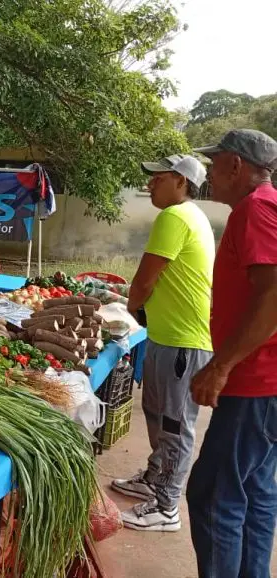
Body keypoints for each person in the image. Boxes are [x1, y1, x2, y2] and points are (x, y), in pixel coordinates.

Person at [184, 129, 277, 578]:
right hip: (265, 384)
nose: (209, 175)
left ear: (236, 166)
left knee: (213, 496)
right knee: (255, 492)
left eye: (214, 164)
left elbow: (273, 295)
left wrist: (220, 367)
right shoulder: (264, 206)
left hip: (256, 382)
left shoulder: (256, 208)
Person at [110, 154, 214, 532]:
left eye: (159, 178)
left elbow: (145, 279)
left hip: (183, 341)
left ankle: (167, 506)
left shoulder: (174, 217)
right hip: (169, 336)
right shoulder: (192, 216)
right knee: (157, 413)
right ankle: (154, 479)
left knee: (174, 424)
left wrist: (129, 307)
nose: (150, 184)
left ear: (182, 183)